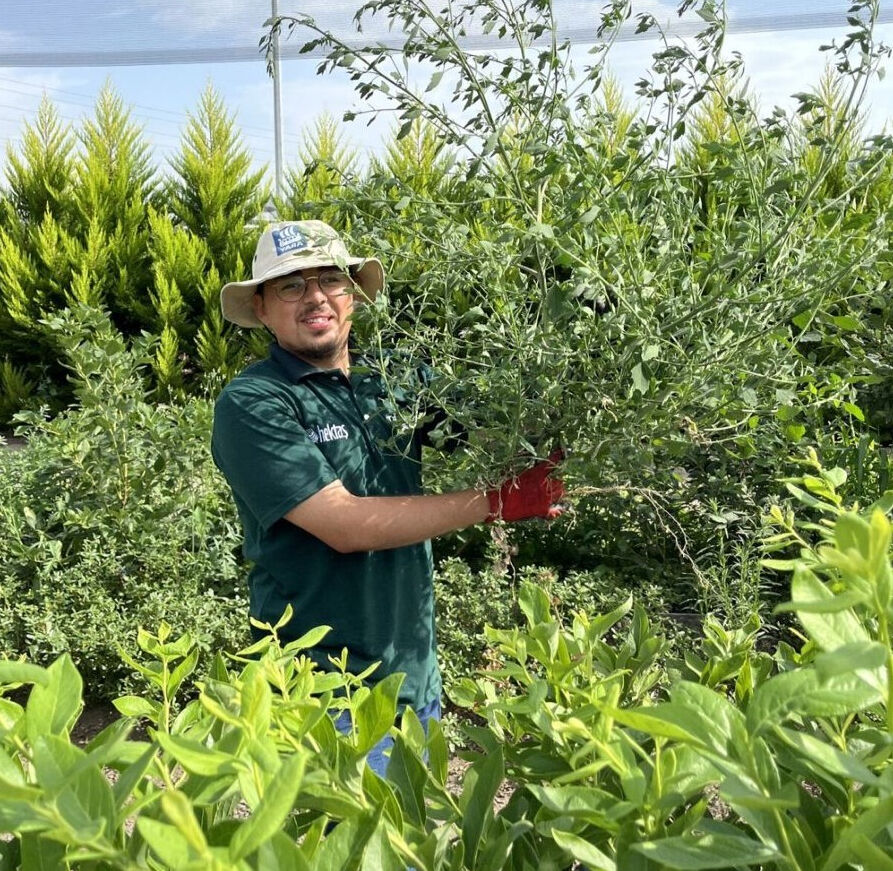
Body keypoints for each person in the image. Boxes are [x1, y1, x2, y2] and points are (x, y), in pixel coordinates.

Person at [212, 220, 563, 775]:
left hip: (415, 674)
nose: (316, 298)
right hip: (322, 693)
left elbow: (501, 426)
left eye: (330, 278)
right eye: (291, 286)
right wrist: (495, 502)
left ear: (352, 292)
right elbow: (344, 525)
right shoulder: (254, 402)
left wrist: (576, 359)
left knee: (413, 843)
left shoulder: (397, 379)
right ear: (260, 308)